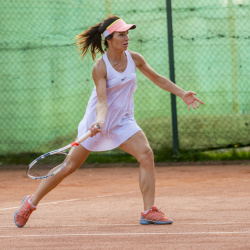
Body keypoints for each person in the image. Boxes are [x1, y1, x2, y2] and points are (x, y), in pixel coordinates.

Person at [14, 14, 203, 227]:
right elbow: (101, 101)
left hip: (122, 122)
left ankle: (149, 210)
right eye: (121, 34)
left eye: (127, 33)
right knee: (67, 167)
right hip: (96, 122)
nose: (126, 37)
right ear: (109, 39)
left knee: (146, 155)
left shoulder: (135, 58)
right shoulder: (100, 67)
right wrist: (99, 121)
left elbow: (157, 78)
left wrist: (182, 93)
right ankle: (30, 203)